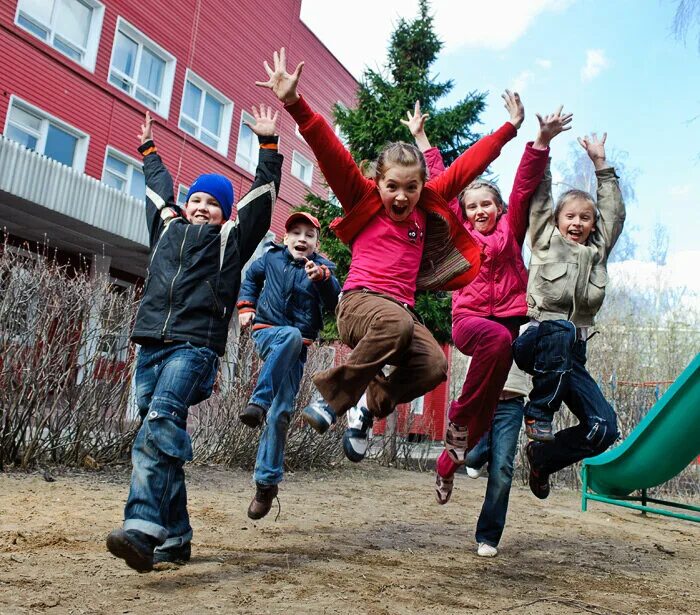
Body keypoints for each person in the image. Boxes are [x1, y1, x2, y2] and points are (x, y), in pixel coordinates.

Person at [255, 48, 522, 448]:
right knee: (395, 323)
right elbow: (329, 150)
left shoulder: (427, 204)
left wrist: (508, 129)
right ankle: (331, 400)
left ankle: (370, 403)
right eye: (392, 187)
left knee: (434, 365)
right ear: (378, 182)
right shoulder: (361, 200)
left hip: (399, 314)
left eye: (411, 188)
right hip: (359, 304)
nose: (401, 197)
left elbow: (467, 166)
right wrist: (294, 102)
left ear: (421, 187)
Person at [106, 107, 282, 572]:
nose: (202, 207)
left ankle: (142, 527)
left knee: (159, 422)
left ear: (225, 212)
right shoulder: (167, 227)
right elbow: (158, 189)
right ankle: (177, 537)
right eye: (196, 200)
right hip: (150, 348)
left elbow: (261, 202)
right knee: (159, 435)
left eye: (213, 203)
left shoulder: (229, 240)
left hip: (194, 349)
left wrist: (268, 148)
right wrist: (148, 150)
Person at [400, 101, 572, 503]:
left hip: (510, 322)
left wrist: (540, 142)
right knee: (494, 344)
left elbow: (524, 186)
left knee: (490, 399)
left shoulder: (511, 232)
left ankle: (449, 459)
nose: (479, 210)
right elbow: (443, 184)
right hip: (470, 321)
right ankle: (459, 421)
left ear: (499, 209)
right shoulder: (458, 232)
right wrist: (422, 139)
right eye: (473, 205)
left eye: (486, 204)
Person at [512, 132, 625, 499]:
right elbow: (540, 199)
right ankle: (539, 413)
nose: (577, 223)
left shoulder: (597, 253)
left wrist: (600, 165)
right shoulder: (545, 241)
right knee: (559, 327)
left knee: (603, 428)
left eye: (586, 218)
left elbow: (614, 216)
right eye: (570, 216)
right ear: (557, 220)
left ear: (593, 225)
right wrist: (543, 146)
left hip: (571, 355)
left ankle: (542, 458)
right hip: (535, 341)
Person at [236, 211, 340, 519]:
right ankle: (258, 401)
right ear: (286, 239)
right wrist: (246, 306)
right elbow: (251, 279)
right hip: (267, 333)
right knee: (290, 335)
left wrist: (322, 279)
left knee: (281, 413)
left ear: (316, 244)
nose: (302, 239)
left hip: (297, 348)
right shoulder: (270, 258)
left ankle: (266, 484)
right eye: (296, 233)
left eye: (309, 235)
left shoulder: (322, 270)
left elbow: (335, 300)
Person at [462, 356, 530, 558]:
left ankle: (488, 537)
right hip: (483, 399)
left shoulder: (529, 327)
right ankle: (477, 457)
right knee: (471, 456)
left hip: (512, 404)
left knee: (501, 469)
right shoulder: (485, 324)